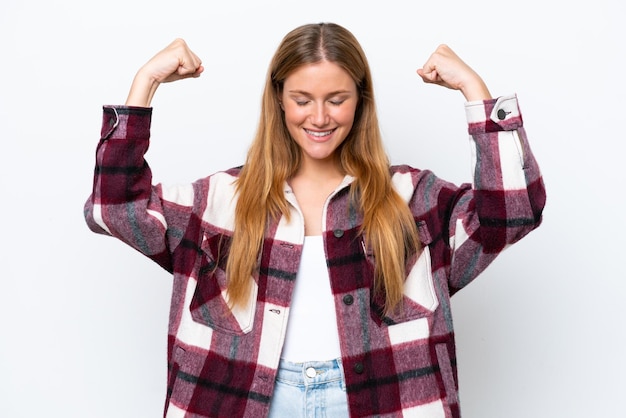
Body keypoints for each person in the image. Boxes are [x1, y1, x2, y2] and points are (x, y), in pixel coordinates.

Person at [84, 22, 545, 418]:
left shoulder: (412, 199)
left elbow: (512, 213)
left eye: (336, 99)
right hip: (249, 400)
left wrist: (476, 93)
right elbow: (116, 211)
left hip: (383, 399)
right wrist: (144, 83)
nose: (319, 117)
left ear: (360, 100)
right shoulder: (219, 202)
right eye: (302, 99)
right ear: (279, 100)